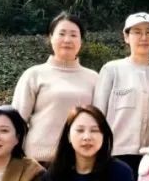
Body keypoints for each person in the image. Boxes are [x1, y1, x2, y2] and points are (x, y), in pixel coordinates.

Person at [12, 12, 99, 164]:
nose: (67, 40)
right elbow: (17, 121)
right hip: (38, 161)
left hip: (79, 162)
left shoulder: (94, 77)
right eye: (62, 34)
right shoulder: (34, 74)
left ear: (81, 41)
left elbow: (100, 122)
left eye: (73, 35)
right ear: (51, 37)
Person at [92, 12, 149, 177]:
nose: (143, 37)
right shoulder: (111, 70)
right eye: (137, 32)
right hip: (114, 155)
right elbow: (97, 115)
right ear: (126, 37)